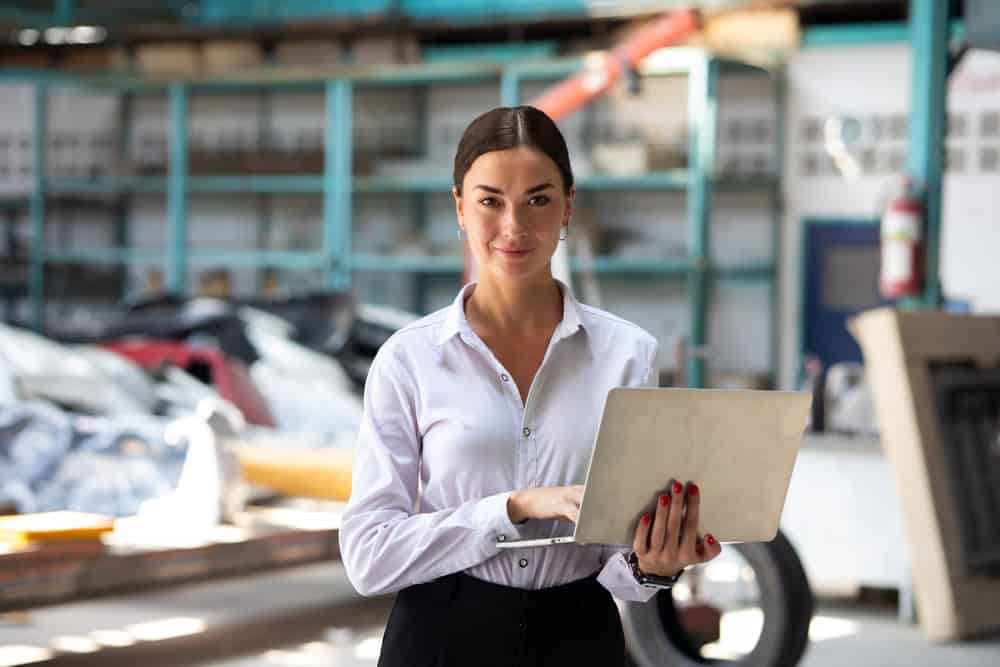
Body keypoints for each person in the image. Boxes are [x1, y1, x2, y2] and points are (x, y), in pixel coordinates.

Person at [340, 106, 722, 667]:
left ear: (569, 206)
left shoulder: (628, 355)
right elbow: (368, 557)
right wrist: (512, 507)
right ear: (460, 209)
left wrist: (654, 564)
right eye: (490, 200)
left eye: (538, 199)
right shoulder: (410, 359)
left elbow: (622, 569)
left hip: (578, 637)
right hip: (439, 638)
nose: (514, 225)